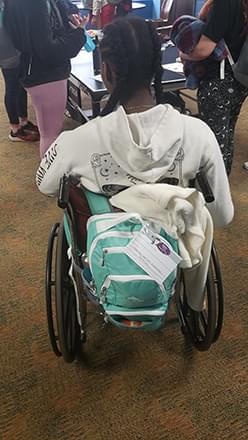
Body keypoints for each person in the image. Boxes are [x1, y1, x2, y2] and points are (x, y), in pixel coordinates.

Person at [36, 16, 234, 228]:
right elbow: (221, 215)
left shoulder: (76, 142)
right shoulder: (199, 134)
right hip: (178, 254)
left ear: (106, 71)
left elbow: (46, 185)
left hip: (107, 253)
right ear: (156, 66)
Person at [4, 0, 86, 157]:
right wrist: (77, 34)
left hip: (34, 68)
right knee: (50, 134)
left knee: (48, 132)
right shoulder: (36, 4)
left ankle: (49, 176)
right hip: (46, 74)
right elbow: (47, 49)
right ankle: (49, 179)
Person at [179, 0, 248, 176]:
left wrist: (183, 54)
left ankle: (214, 193)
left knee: (213, 143)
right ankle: (222, 185)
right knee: (225, 137)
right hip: (238, 81)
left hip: (218, 83)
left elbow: (203, 49)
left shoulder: (224, 3)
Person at [1, 66, 39, 142]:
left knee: (21, 85)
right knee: (12, 86)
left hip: (18, 55)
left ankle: (23, 123)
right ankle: (15, 130)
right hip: (8, 57)